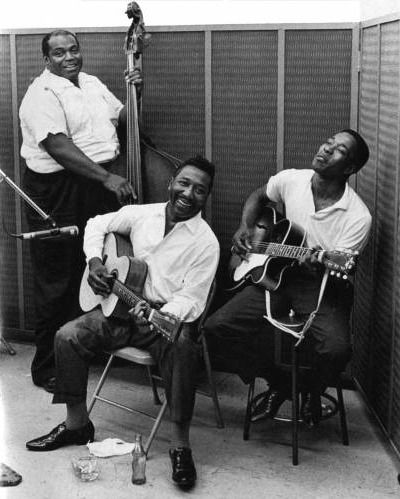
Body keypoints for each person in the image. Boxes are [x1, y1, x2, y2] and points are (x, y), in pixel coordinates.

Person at [25, 156, 219, 490]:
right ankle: (77, 424)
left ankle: (180, 445)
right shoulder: (144, 214)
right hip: (119, 312)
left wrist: (162, 313)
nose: (188, 193)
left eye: (199, 190)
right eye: (184, 183)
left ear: (206, 197)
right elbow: (97, 223)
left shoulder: (206, 242)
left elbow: (194, 298)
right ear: (172, 181)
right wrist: (96, 262)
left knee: (185, 345)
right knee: (67, 335)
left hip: (163, 320)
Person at [204, 129, 371, 425]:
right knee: (217, 327)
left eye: (339, 150)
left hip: (321, 285)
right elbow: (259, 196)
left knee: (336, 349)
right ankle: (279, 382)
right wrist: (245, 227)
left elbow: (341, 267)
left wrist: (317, 263)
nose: (326, 149)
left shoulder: (358, 216)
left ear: (350, 168)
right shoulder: (292, 179)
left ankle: (308, 391)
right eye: (328, 142)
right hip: (276, 275)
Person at [19, 29, 141, 393]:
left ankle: (84, 349)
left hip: (95, 183)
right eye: (59, 53)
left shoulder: (90, 82)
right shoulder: (39, 94)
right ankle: (47, 367)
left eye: (73, 50)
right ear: (47, 60)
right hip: (59, 189)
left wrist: (136, 90)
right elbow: (58, 146)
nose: (69, 57)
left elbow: (123, 118)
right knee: (58, 279)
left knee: (100, 266)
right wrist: (107, 179)